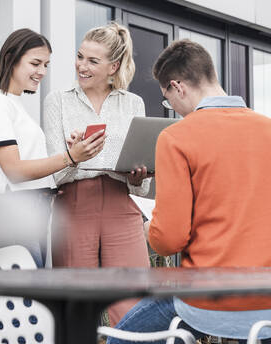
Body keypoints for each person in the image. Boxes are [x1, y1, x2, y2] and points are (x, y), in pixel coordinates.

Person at [107, 39, 271, 343]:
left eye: (168, 101)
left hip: (207, 301)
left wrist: (148, 229)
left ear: (178, 86)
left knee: (119, 340)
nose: (174, 110)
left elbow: (169, 240)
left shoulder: (176, 138)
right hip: (267, 302)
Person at [43, 22, 151, 326]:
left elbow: (142, 189)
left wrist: (138, 175)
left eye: (92, 61)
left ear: (113, 66)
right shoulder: (58, 101)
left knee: (135, 308)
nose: (81, 66)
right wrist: (74, 157)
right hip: (74, 207)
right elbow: (57, 175)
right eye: (80, 57)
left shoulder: (133, 104)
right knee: (76, 308)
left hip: (121, 206)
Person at [0, 28, 106, 268]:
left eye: (46, 65)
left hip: (27, 212)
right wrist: (69, 157)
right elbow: (14, 170)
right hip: (12, 213)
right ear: (10, 59)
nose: (42, 72)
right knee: (23, 297)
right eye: (35, 63)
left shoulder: (13, 104)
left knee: (27, 296)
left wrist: (69, 154)